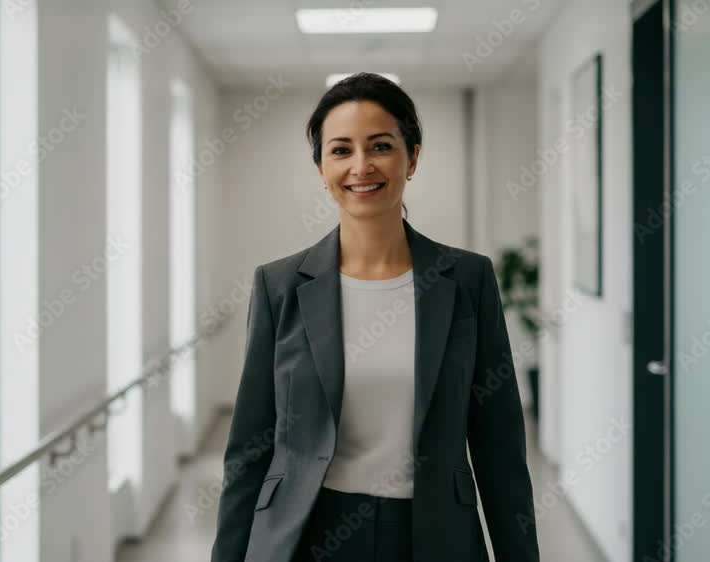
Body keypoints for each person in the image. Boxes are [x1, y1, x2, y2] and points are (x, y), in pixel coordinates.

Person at [210, 72, 540, 562]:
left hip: (432, 534)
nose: (361, 166)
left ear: (413, 157)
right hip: (305, 533)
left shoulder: (468, 280)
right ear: (321, 166)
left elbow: (499, 449)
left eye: (380, 145)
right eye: (340, 150)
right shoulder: (280, 286)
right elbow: (250, 451)